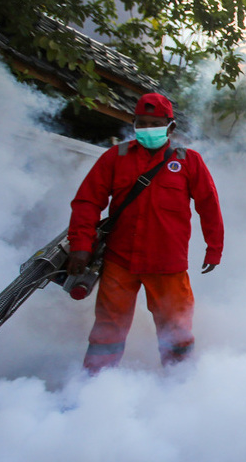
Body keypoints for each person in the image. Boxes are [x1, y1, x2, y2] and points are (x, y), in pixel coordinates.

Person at [66, 92, 224, 373]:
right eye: (142, 123)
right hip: (119, 261)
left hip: (168, 265)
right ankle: (95, 385)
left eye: (155, 123)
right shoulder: (116, 157)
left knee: (176, 331)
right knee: (107, 330)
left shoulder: (189, 161)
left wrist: (214, 249)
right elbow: (87, 201)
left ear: (170, 126)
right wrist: (80, 244)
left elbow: (208, 206)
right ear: (134, 123)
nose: (148, 129)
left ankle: (179, 385)